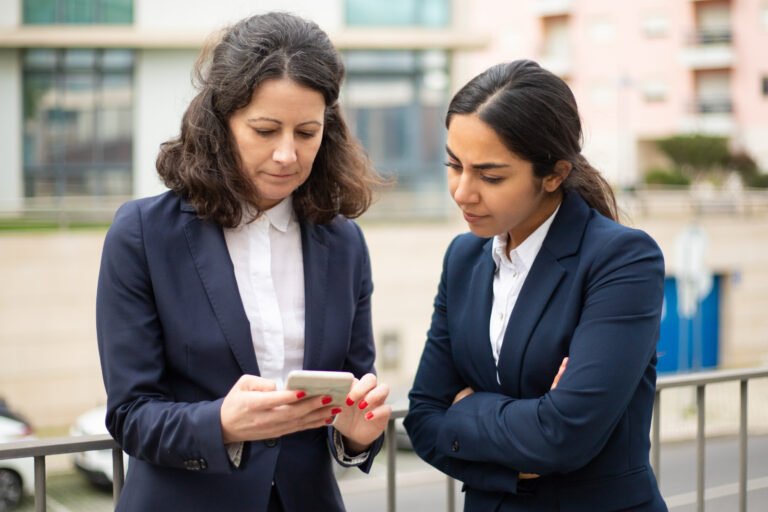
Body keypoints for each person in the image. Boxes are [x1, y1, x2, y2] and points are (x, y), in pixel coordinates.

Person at [96, 12, 391, 512]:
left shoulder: (343, 244)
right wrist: (222, 424)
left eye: (307, 132)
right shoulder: (143, 234)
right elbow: (130, 414)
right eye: (265, 129)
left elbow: (354, 391)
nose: (286, 154)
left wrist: (359, 437)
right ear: (220, 123)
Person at [403, 60, 668, 511]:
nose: (463, 192)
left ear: (554, 174)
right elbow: (425, 419)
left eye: (490, 176)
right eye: (453, 165)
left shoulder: (622, 259)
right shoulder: (464, 258)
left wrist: (467, 411)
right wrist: (526, 439)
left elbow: (563, 436)